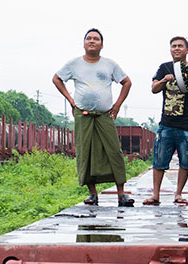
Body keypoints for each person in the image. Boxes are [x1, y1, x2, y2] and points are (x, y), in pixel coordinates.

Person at [53, 28, 134, 207]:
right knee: (85, 151)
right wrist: (70, 99)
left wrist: (118, 104)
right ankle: (92, 194)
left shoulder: (110, 64)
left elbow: (126, 82)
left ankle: (121, 194)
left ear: (102, 45)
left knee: (114, 150)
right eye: (88, 38)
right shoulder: (74, 64)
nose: (92, 41)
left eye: (96, 39)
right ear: (83, 44)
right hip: (83, 114)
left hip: (105, 115)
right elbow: (57, 79)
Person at [143, 36, 188, 206]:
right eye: (173, 46)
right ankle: (155, 195)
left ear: (187, 50)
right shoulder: (164, 68)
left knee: (185, 161)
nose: (177, 49)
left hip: (187, 124)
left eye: (180, 46)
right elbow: (154, 89)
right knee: (159, 161)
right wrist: (164, 80)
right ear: (170, 50)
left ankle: (178, 194)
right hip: (166, 123)